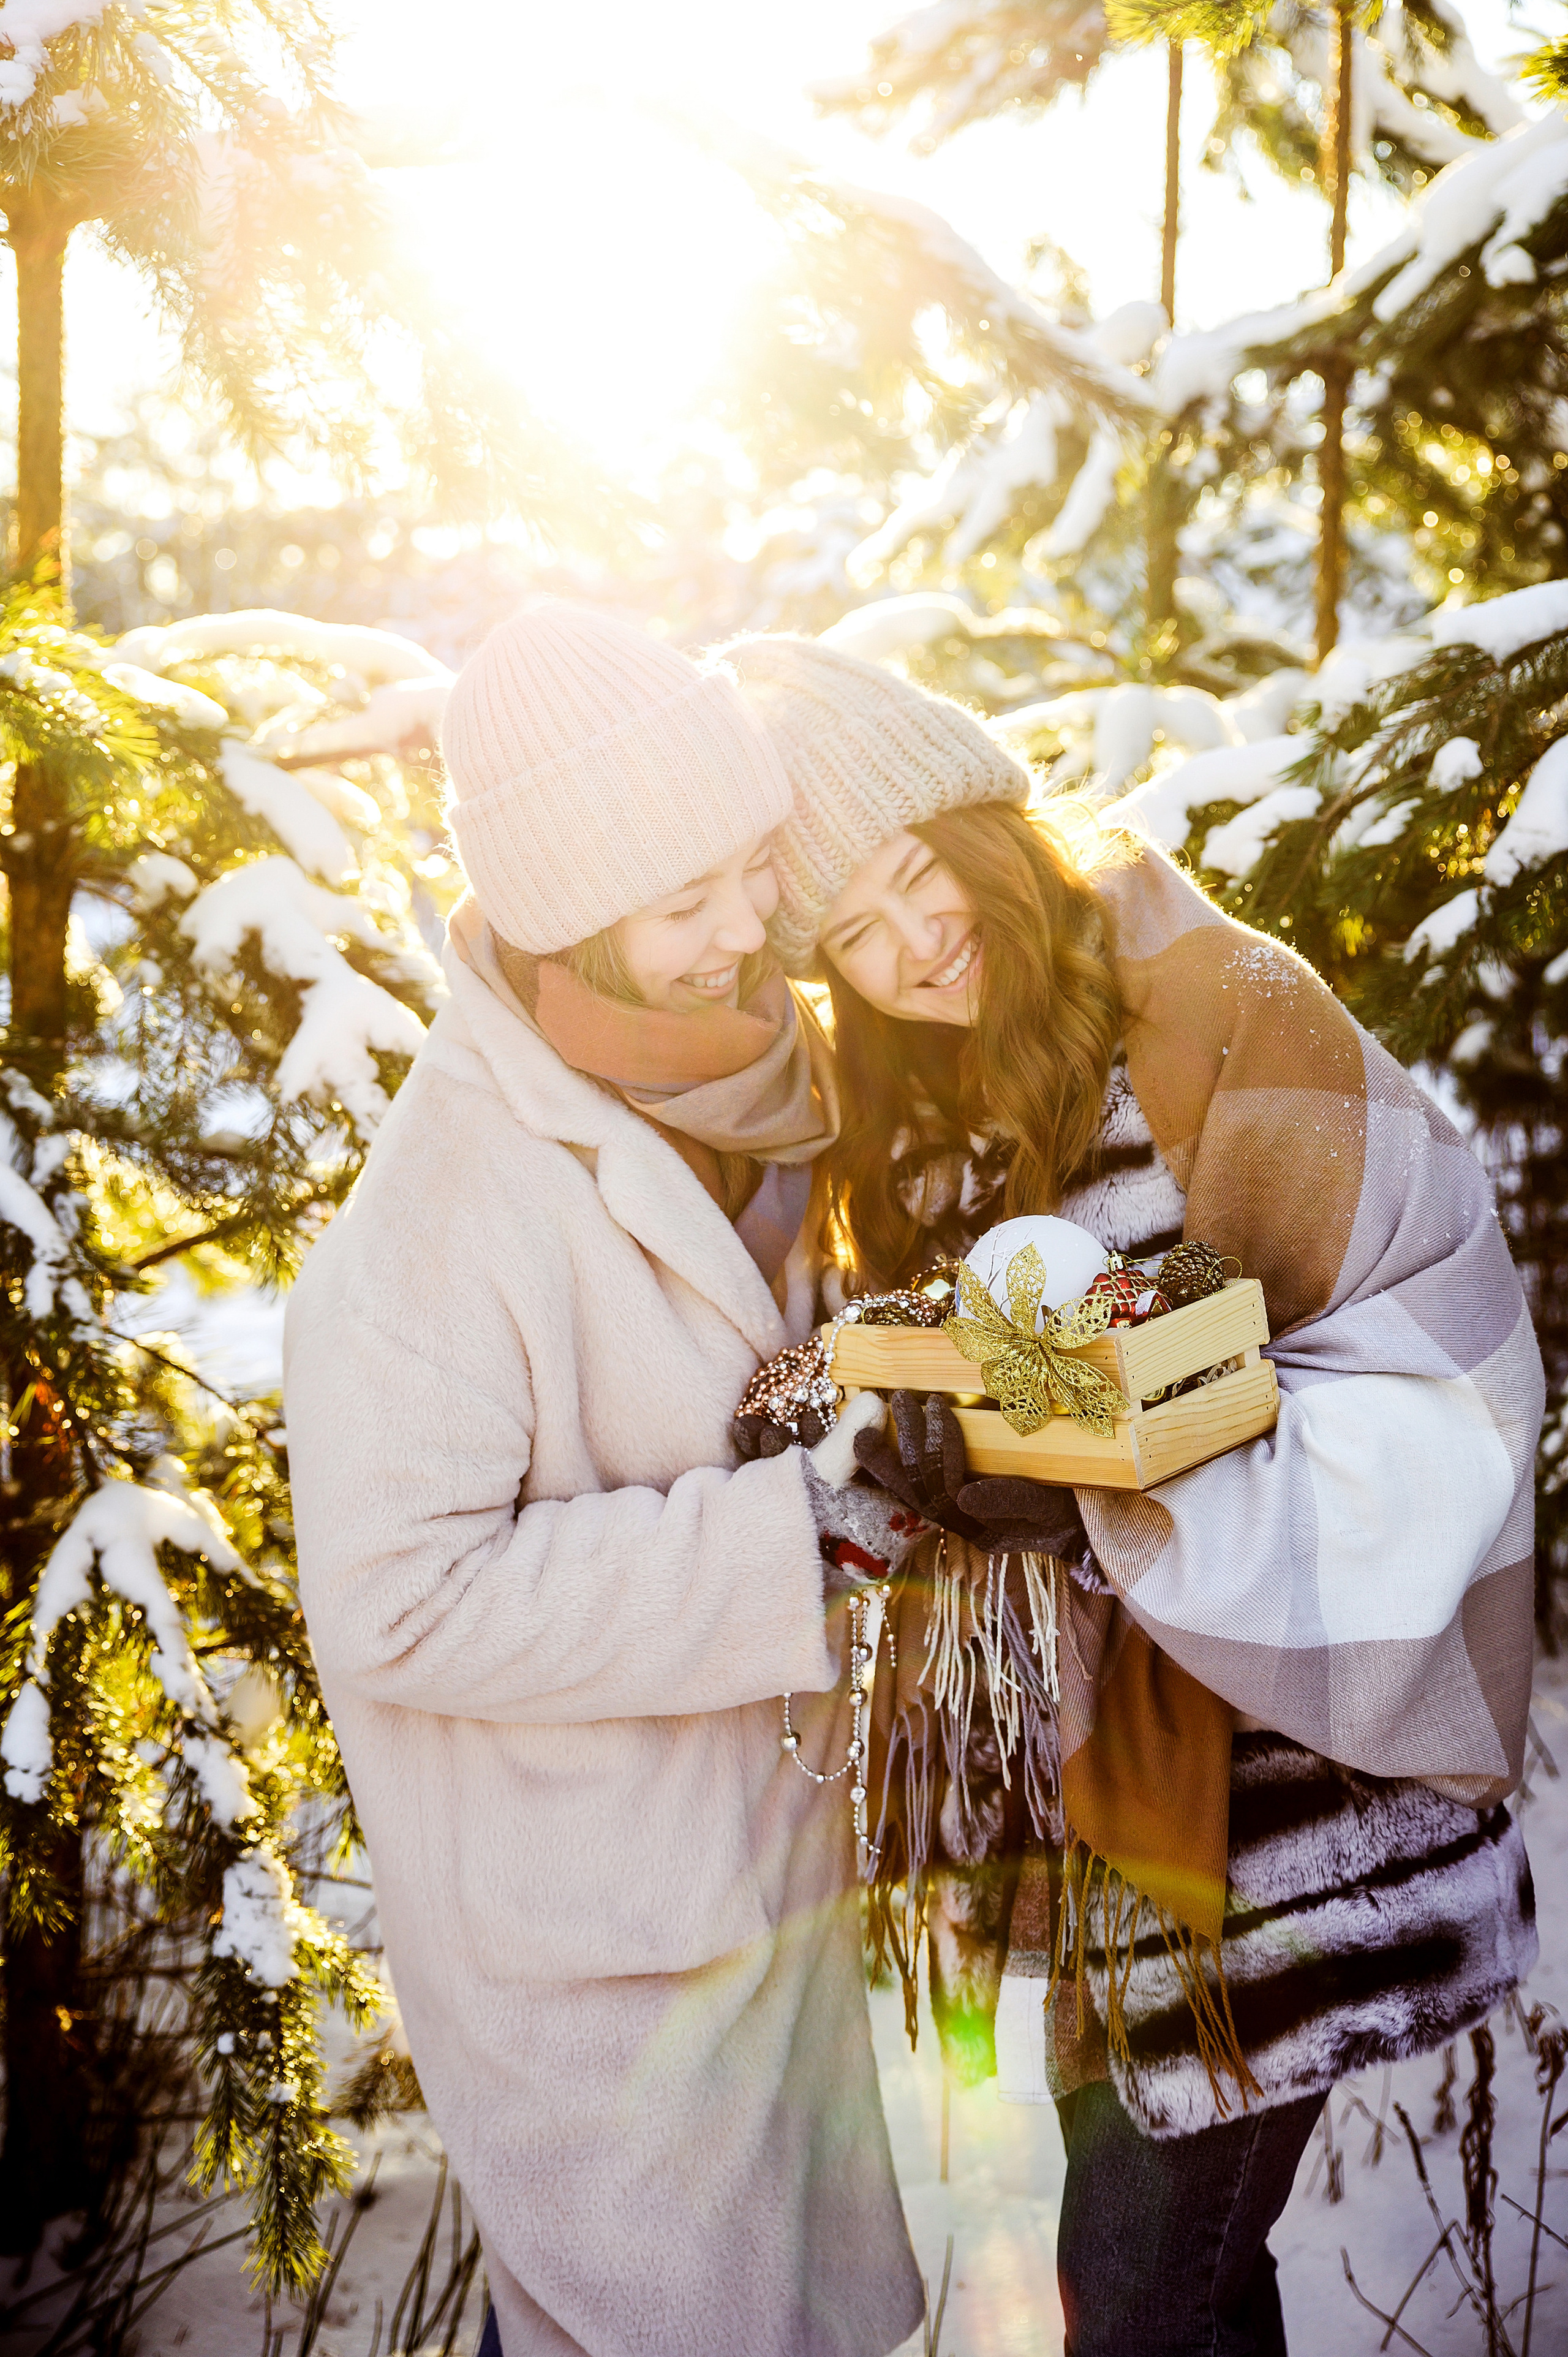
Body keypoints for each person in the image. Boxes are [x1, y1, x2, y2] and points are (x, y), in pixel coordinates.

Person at [730, 633, 1543, 2357]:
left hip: (1295, 1803)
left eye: (911, 884)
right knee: (1178, 2286)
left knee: (1139, 2294)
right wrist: (932, 1454)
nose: (908, 954)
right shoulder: (924, 1107)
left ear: (981, 820)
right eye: (851, 944)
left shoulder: (1212, 1004)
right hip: (1126, 1808)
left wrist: (1129, 1480)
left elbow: (1434, 1341)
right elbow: (945, 1383)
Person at [284, 608, 926, 2357]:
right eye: (687, 900)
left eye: (748, 869)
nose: (749, 931)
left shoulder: (746, 1088)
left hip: (766, 1880)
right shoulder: (440, 1212)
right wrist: (799, 1539)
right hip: (599, 1950)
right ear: (570, 917)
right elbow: (397, 1598)